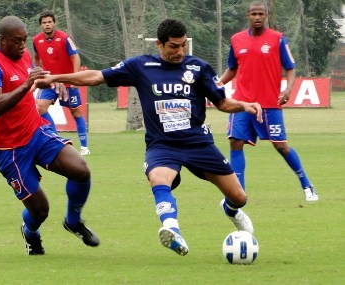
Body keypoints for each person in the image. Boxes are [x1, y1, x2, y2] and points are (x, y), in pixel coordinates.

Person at [35, 19, 262, 256]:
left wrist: (245, 106)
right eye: (174, 46)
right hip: (162, 145)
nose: (180, 51)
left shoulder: (198, 68)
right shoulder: (141, 66)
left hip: (199, 144)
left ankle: (231, 210)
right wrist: (54, 78)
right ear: (160, 45)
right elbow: (96, 77)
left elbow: (222, 103)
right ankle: (172, 230)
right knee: (158, 178)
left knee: (239, 196)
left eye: (183, 45)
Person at [0, 16, 99, 255]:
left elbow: (32, 77)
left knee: (81, 170)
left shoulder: (21, 55)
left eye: (24, 40)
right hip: (9, 150)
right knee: (40, 211)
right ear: (2, 40)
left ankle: (73, 221)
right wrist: (26, 86)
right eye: (17, 41)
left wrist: (49, 83)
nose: (23, 45)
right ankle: (30, 232)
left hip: (36, 132)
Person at [220, 0, 318, 202]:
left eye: (261, 14)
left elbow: (290, 67)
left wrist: (288, 89)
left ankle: (307, 185)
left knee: (281, 146)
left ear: (266, 15)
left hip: (269, 104)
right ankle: (238, 193)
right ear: (247, 16)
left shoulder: (277, 39)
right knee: (235, 143)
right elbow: (233, 68)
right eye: (253, 14)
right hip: (242, 104)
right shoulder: (237, 40)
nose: (257, 17)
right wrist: (218, 83)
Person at [32, 11, 91, 156]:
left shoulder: (65, 38)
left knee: (76, 112)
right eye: (44, 22)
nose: (47, 25)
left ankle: (84, 147)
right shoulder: (36, 40)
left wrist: (75, 77)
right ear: (41, 25)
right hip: (50, 82)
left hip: (67, 82)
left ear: (54, 23)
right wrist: (37, 73)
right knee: (40, 107)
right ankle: (57, 139)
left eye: (49, 22)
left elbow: (75, 56)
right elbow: (36, 58)